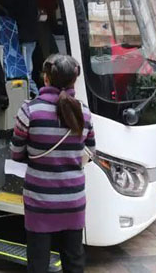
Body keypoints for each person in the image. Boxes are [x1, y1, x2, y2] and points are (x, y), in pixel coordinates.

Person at [10, 54, 96, 273]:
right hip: (73, 199)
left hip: (40, 201)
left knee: (38, 261)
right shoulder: (84, 113)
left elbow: (16, 153)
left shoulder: (29, 111)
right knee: (74, 259)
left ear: (46, 78)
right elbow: (90, 153)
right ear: (74, 80)